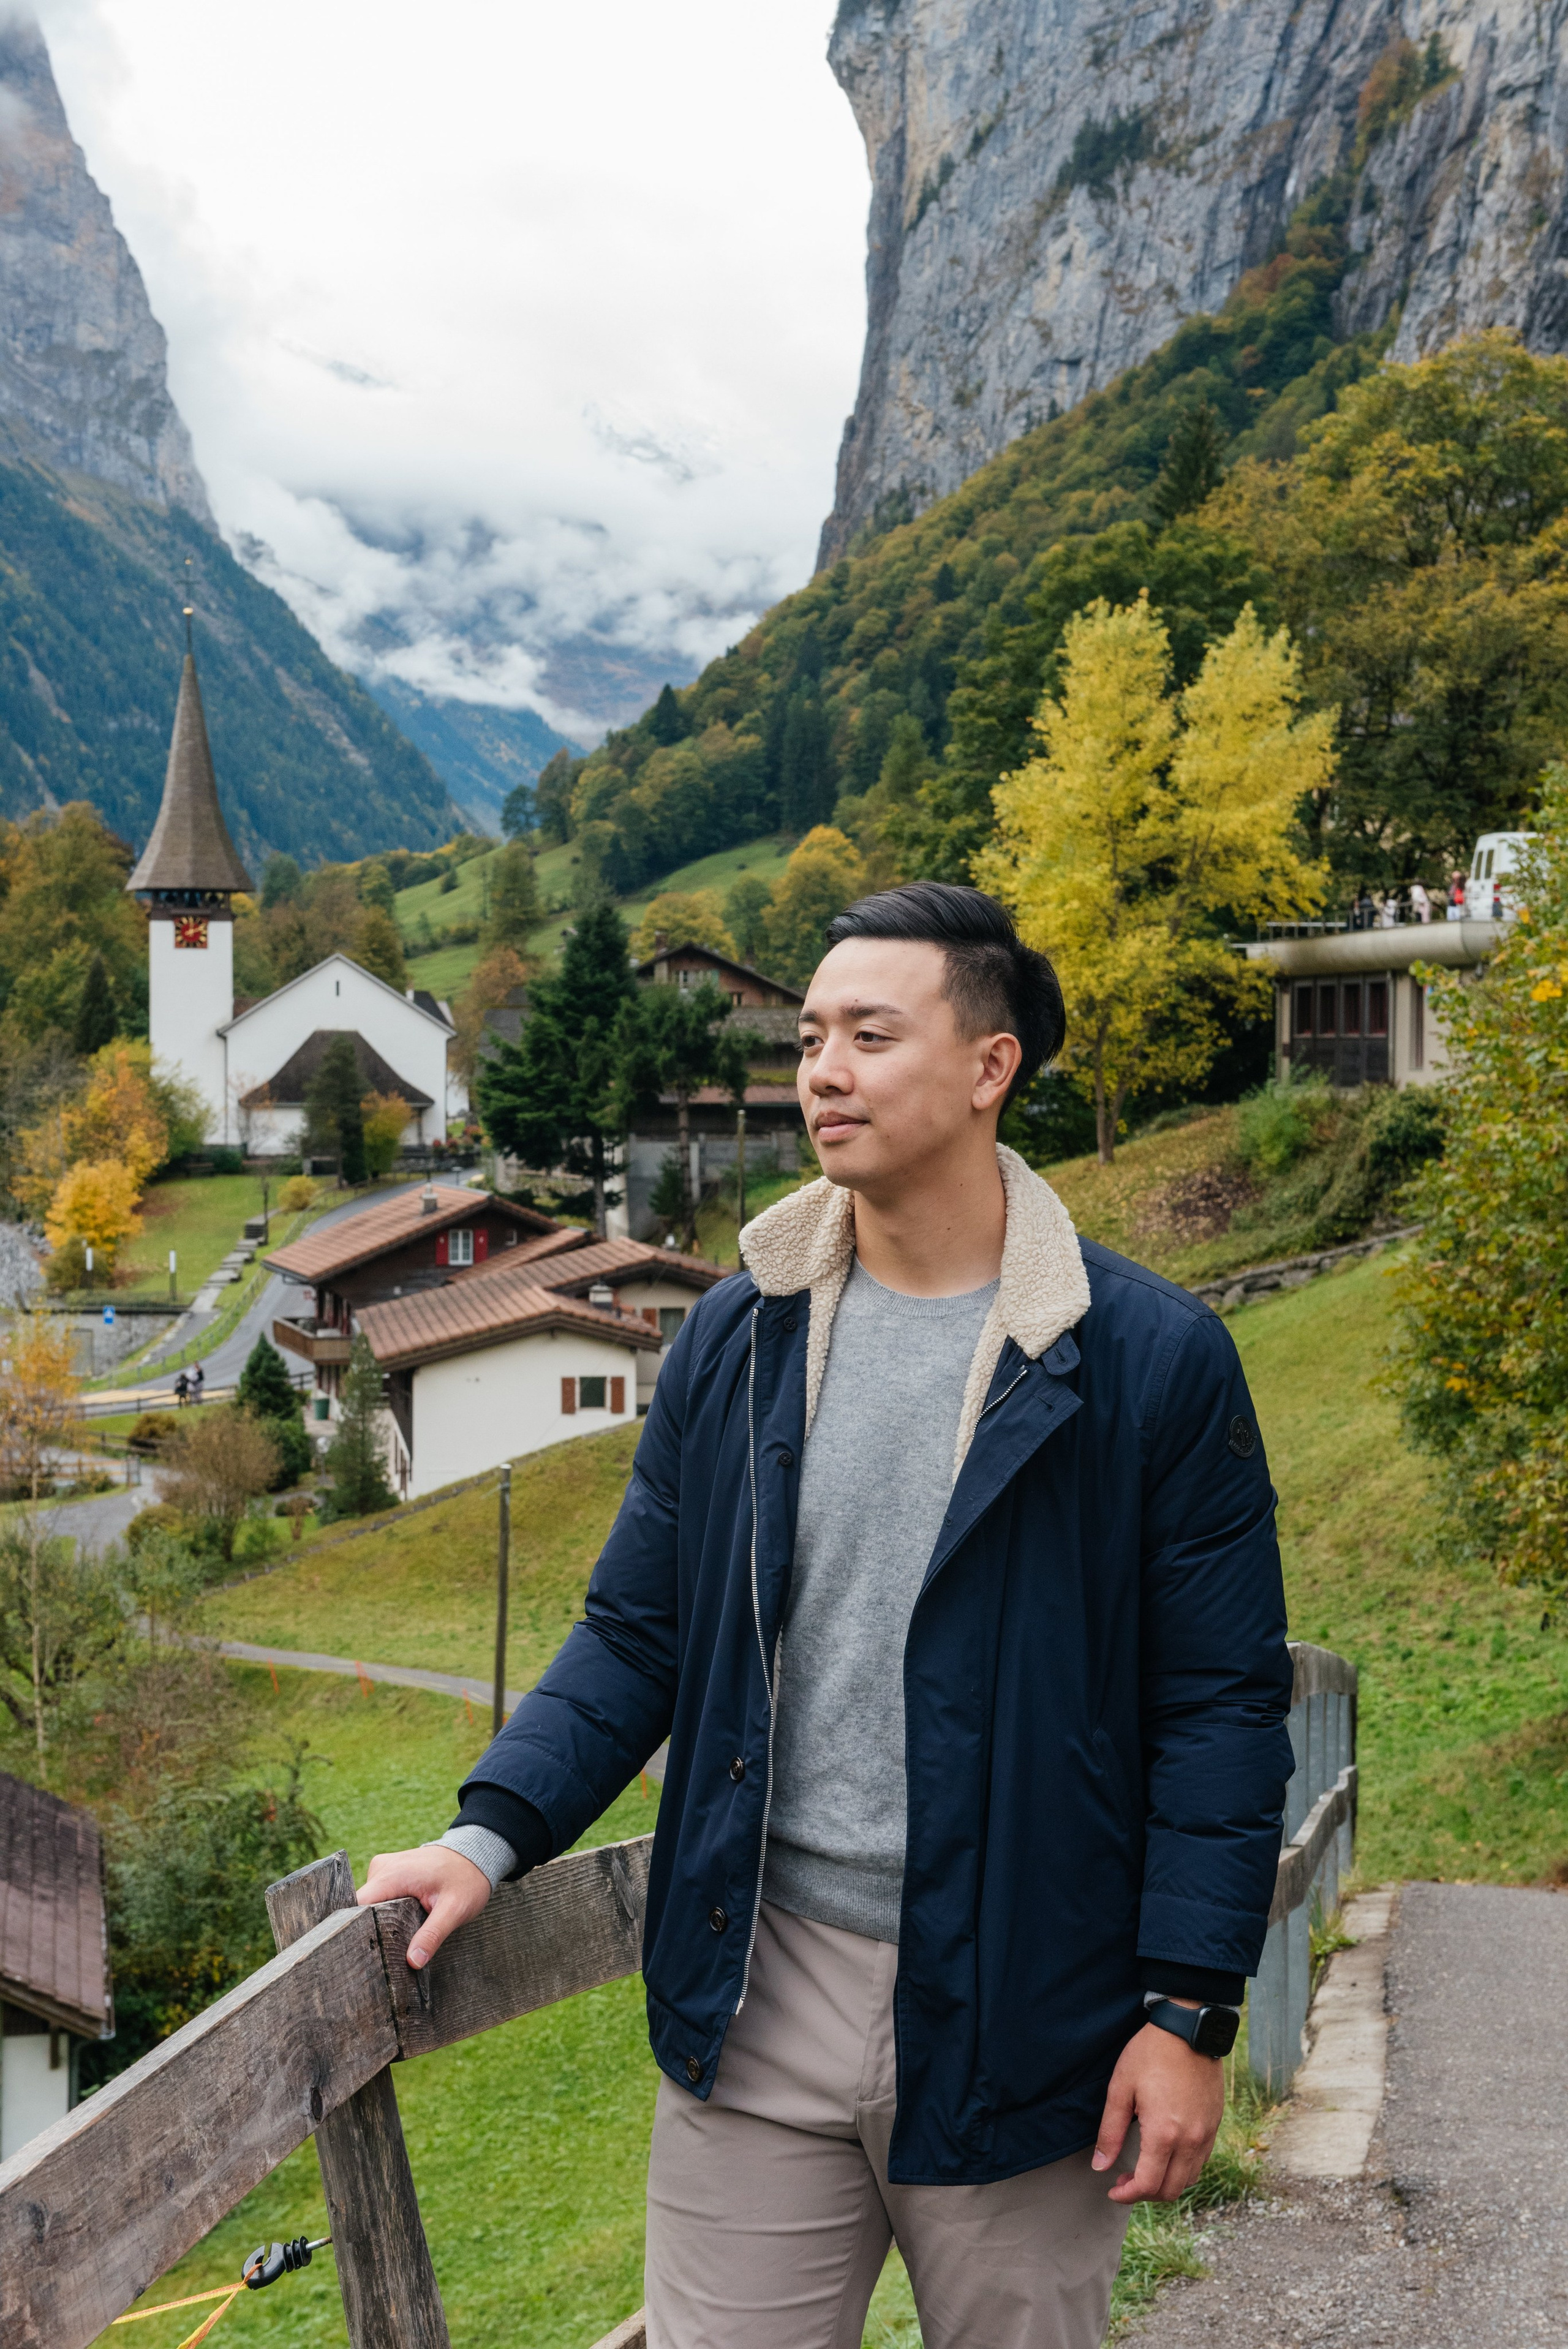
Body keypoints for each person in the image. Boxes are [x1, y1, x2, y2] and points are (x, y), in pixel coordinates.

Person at [358, 883, 1293, 2349]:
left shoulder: (1148, 1364)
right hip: (755, 1986)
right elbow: (636, 1631)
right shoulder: (742, 1330)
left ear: (990, 1068)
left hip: (1021, 2011)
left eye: (868, 1033)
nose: (821, 1071)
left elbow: (1220, 1711)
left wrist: (1186, 2014)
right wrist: (490, 1832)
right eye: (807, 1037)